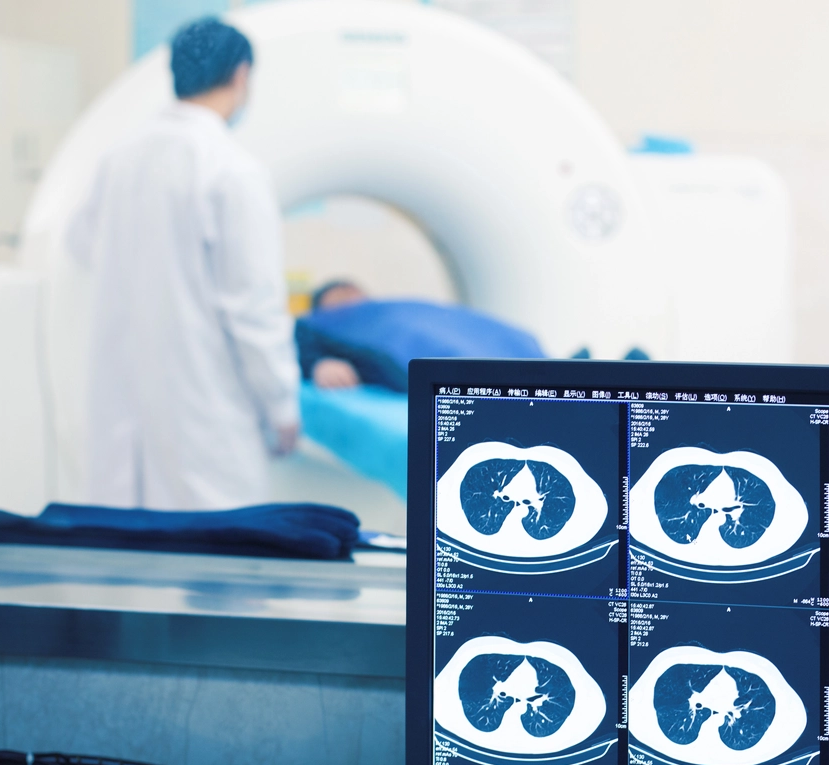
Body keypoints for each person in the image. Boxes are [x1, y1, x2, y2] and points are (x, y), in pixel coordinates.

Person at [69, 17, 300, 511]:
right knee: (221, 568)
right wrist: (282, 406)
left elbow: (80, 244)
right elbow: (254, 309)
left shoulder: (119, 157)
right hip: (205, 419)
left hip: (124, 415)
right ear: (241, 76)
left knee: (131, 567)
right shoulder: (232, 169)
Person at [296, 280, 548, 391]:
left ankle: (544, 361)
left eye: (357, 298)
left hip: (421, 330)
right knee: (454, 356)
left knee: (470, 335)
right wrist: (318, 364)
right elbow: (298, 340)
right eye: (341, 304)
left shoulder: (393, 311)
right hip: (407, 351)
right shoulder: (318, 328)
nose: (354, 305)